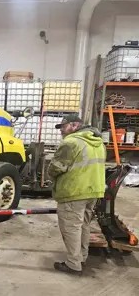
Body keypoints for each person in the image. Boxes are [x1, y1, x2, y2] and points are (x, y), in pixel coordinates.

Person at [48, 115, 106, 276]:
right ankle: (81, 257)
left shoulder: (71, 143)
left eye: (63, 127)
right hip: (93, 190)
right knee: (83, 225)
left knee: (71, 227)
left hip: (74, 191)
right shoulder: (98, 142)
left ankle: (73, 264)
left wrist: (50, 176)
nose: (61, 131)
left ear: (74, 125)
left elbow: (55, 168)